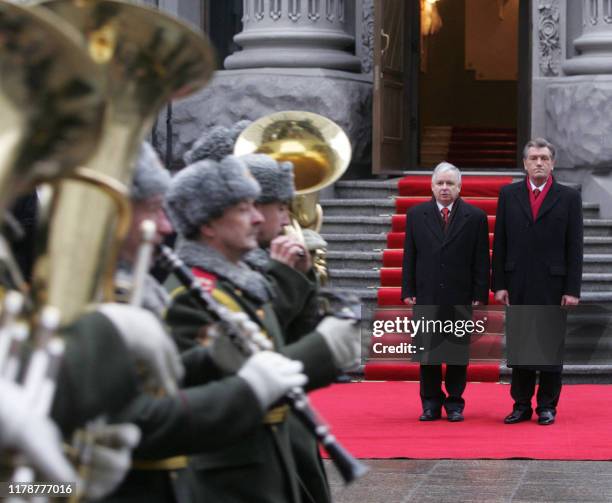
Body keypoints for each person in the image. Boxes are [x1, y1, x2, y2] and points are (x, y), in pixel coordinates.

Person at [102, 142, 309, 503]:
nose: (167, 226)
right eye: (153, 209)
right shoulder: (185, 291)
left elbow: (169, 381)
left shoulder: (144, 290)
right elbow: (145, 416)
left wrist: (212, 357)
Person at [164, 156, 359, 503]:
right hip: (234, 478)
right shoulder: (191, 295)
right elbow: (239, 385)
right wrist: (323, 351)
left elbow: (282, 342)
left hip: (271, 458)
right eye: (243, 209)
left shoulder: (238, 282)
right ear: (207, 225)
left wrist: (302, 279)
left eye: (256, 207)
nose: (257, 218)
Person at [492, 138, 583, 426]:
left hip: (554, 285)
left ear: (553, 162)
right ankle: (521, 405)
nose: (539, 163)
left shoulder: (568, 197)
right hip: (518, 282)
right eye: (534, 158)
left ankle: (547, 406)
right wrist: (499, 284)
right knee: (521, 346)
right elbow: (501, 242)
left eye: (544, 158)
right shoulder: (508, 194)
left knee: (549, 346)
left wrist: (572, 289)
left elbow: (575, 246)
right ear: (525, 164)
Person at [401, 162, 490, 422]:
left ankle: (454, 404)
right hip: (427, 293)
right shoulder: (417, 215)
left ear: (459, 187)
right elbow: (410, 256)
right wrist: (408, 289)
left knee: (456, 353)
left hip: (460, 294)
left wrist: (480, 293)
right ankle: (430, 403)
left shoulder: (475, 217)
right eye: (440, 183)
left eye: (450, 183)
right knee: (427, 354)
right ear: (431, 186)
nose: (444, 188)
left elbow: (481, 259)